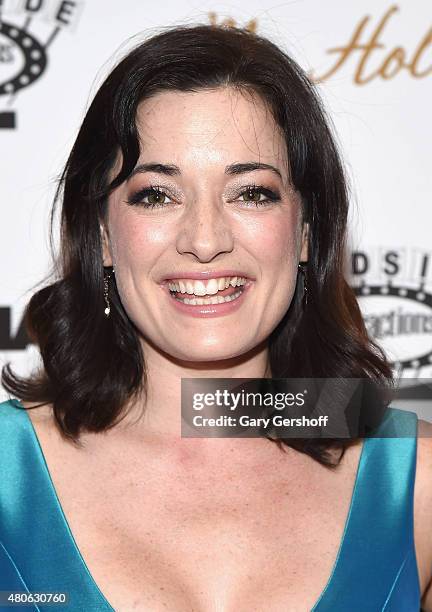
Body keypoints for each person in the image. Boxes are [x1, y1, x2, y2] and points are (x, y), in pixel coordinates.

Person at [1, 23, 431, 612]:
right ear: (101, 236)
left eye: (250, 192)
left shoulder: (416, 482)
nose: (204, 240)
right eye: (157, 194)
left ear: (306, 230)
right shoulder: (7, 475)